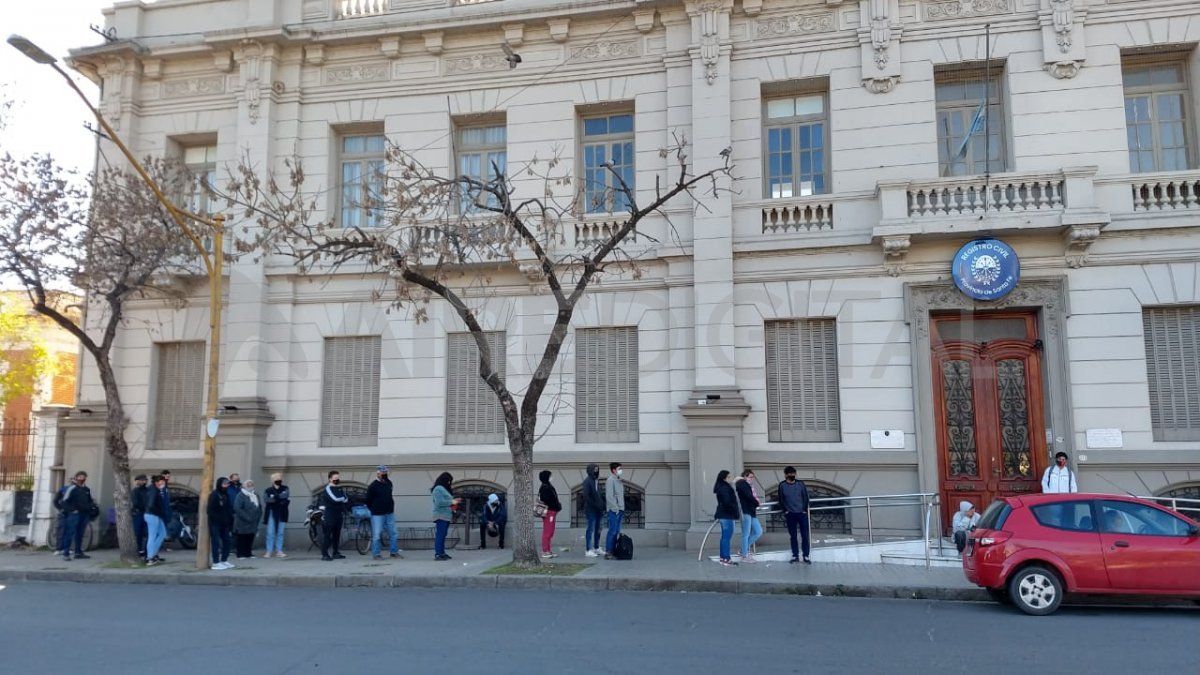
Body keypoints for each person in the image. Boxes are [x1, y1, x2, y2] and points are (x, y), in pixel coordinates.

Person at [778, 466, 812, 565]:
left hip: (802, 514)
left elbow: (805, 497)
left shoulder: (800, 484)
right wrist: (786, 511)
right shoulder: (782, 485)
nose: (792, 475)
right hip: (790, 514)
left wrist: (805, 510)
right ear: (785, 475)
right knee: (793, 536)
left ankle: (806, 555)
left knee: (805, 535)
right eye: (790, 473)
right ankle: (795, 555)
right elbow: (781, 499)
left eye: (793, 473)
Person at [366, 465, 401, 560]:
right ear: (378, 474)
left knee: (393, 533)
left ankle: (394, 552)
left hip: (389, 512)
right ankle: (376, 554)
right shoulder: (373, 486)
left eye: (386, 473)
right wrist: (374, 509)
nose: (385, 474)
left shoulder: (389, 483)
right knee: (377, 534)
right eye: (383, 473)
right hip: (377, 514)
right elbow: (368, 500)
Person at [59, 471, 95, 561]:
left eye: (83, 476)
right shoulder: (72, 488)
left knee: (80, 534)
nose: (81, 478)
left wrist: (90, 508)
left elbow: (90, 501)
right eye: (79, 476)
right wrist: (71, 510)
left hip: (84, 514)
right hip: (74, 515)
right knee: (70, 533)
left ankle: (78, 552)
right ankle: (66, 553)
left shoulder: (87, 489)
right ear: (76, 478)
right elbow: (64, 501)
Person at [206, 477, 234, 569]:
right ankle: (216, 562)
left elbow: (229, 508)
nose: (226, 486)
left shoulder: (226, 494)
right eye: (224, 484)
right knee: (216, 542)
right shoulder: (214, 494)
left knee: (228, 541)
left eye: (227, 484)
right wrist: (218, 519)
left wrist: (230, 520)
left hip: (225, 523)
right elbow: (210, 510)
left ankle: (224, 560)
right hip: (215, 523)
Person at [320, 471, 349, 561]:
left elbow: (346, 499)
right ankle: (325, 554)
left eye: (338, 477)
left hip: (338, 514)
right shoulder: (328, 488)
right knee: (327, 535)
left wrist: (342, 499)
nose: (337, 479)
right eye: (335, 478)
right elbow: (335, 499)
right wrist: (342, 498)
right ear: (330, 479)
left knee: (337, 534)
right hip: (330, 514)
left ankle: (335, 552)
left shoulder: (339, 488)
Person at [713, 470, 740, 566]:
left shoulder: (722, 487)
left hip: (724, 515)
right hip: (727, 515)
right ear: (724, 478)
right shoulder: (725, 488)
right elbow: (727, 502)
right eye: (729, 477)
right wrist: (734, 512)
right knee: (726, 538)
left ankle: (723, 558)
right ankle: (726, 559)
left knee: (725, 538)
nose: (730, 478)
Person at [430, 472, 460, 561]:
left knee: (443, 535)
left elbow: (447, 501)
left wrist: (454, 501)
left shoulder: (443, 489)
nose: (449, 483)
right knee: (440, 535)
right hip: (441, 515)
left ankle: (442, 553)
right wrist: (452, 502)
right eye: (449, 481)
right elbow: (439, 502)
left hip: (446, 515)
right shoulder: (438, 489)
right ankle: (438, 554)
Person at [735, 469, 763, 563]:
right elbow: (749, 497)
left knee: (758, 531)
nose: (752, 479)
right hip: (745, 511)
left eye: (753, 477)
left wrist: (755, 503)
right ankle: (744, 556)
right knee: (746, 534)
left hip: (751, 512)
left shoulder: (748, 485)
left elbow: (750, 497)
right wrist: (757, 503)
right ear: (745, 477)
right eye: (750, 477)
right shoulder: (742, 484)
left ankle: (743, 550)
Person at [262, 473, 290, 558]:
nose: (279, 479)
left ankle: (279, 550)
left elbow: (285, 495)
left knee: (280, 532)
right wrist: (278, 498)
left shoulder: (285, 488)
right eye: (277, 478)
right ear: (272, 480)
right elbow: (267, 499)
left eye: (280, 478)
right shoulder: (268, 490)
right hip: (271, 512)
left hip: (282, 512)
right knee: (270, 532)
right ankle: (269, 551)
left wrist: (274, 497)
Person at [144, 475, 170, 565]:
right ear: (156, 483)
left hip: (154, 515)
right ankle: (150, 557)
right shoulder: (154, 491)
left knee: (162, 534)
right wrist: (158, 512)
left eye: (163, 482)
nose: (163, 483)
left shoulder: (154, 490)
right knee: (153, 536)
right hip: (152, 515)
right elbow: (151, 504)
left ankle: (152, 554)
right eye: (161, 482)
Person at [582, 463, 605, 557]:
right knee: (590, 529)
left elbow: (599, 495)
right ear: (590, 470)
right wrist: (596, 505)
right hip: (591, 510)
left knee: (598, 529)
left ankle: (596, 547)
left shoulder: (596, 481)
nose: (596, 471)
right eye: (594, 469)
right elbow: (586, 496)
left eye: (597, 469)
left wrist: (602, 505)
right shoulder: (587, 481)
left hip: (598, 509)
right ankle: (588, 550)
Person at [538, 470, 562, 558]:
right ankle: (545, 551)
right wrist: (556, 505)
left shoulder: (548, 486)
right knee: (547, 532)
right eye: (550, 476)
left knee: (550, 532)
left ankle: (548, 550)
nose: (551, 477)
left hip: (552, 511)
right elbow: (547, 500)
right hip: (549, 512)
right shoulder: (545, 487)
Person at [604, 462, 625, 560]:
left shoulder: (618, 480)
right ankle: (608, 552)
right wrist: (615, 508)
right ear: (614, 470)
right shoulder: (610, 480)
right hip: (614, 510)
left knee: (616, 531)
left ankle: (613, 551)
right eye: (619, 468)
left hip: (620, 509)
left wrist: (621, 508)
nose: (621, 470)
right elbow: (609, 496)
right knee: (612, 531)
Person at [130, 474, 149, 558]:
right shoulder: (135, 491)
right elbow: (136, 503)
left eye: (144, 480)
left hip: (147, 514)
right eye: (141, 480)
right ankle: (139, 550)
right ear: (137, 481)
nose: (143, 481)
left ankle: (146, 551)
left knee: (148, 533)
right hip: (138, 514)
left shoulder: (148, 490)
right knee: (138, 533)